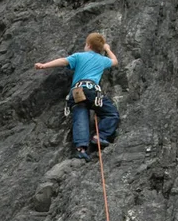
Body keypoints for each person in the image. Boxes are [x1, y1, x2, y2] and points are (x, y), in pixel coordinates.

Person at [34, 33, 120, 161]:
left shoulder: (79, 56)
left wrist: (44, 65)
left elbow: (63, 61)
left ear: (88, 45)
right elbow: (115, 61)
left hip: (77, 91)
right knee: (111, 114)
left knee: (80, 116)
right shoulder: (102, 60)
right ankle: (100, 136)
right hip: (92, 91)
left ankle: (81, 149)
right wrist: (107, 49)